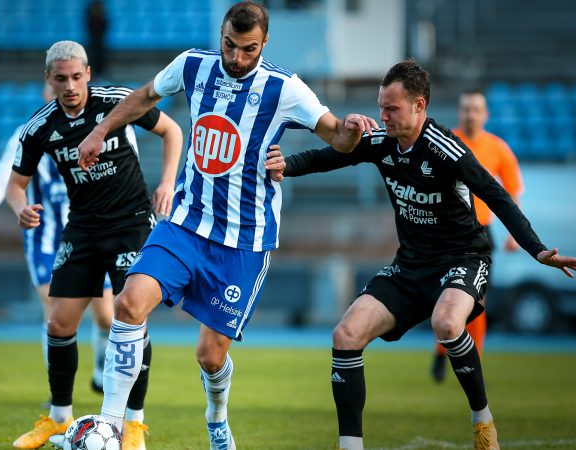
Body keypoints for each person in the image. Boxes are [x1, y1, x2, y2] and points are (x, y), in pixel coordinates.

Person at [73, 2, 377, 448]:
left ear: (265, 43)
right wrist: (100, 131)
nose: (236, 58)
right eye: (230, 46)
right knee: (129, 303)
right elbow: (142, 97)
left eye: (248, 50)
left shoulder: (284, 88)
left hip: (243, 241)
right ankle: (111, 425)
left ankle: (217, 419)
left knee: (209, 355)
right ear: (221, 34)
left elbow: (335, 135)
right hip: (185, 222)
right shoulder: (194, 65)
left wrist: (352, 130)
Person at [268, 60, 576, 450]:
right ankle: (350, 445)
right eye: (380, 107)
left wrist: (536, 249)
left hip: (463, 258)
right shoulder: (380, 139)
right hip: (409, 266)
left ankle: (482, 419)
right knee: (345, 334)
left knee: (447, 324)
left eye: (392, 109)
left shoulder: (445, 147)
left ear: (419, 106)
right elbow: (330, 157)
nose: (382, 116)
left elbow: (496, 194)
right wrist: (288, 164)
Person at [8, 40, 183, 450]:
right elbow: (15, 185)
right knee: (59, 324)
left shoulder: (115, 103)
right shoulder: (40, 127)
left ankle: (134, 425)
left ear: (88, 73)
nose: (69, 86)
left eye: (76, 76)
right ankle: (57, 418)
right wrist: (21, 207)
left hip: (131, 224)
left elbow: (172, 130)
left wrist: (168, 183)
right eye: (60, 79)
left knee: (130, 319)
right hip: (83, 228)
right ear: (48, 80)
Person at [0, 83, 118, 406]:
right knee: (55, 313)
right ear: (47, 91)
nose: (64, 89)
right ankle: (59, 393)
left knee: (106, 315)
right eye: (56, 84)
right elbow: (1, 181)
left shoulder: (94, 127)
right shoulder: (28, 134)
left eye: (72, 82)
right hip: (46, 238)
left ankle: (101, 371)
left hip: (90, 233)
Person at [430, 89, 524, 383]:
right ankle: (441, 351)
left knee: (477, 301)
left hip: (480, 235)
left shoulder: (498, 149)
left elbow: (512, 193)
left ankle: (475, 359)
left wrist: (514, 234)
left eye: (475, 109)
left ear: (485, 115)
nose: (470, 114)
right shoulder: (445, 142)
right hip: (445, 232)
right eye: (465, 109)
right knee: (446, 297)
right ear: (459, 112)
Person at [85, 0, 109, 76]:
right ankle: (94, 73)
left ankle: (100, 73)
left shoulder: (102, 13)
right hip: (93, 39)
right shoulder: (89, 12)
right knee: (93, 56)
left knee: (100, 56)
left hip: (100, 39)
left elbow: (105, 25)